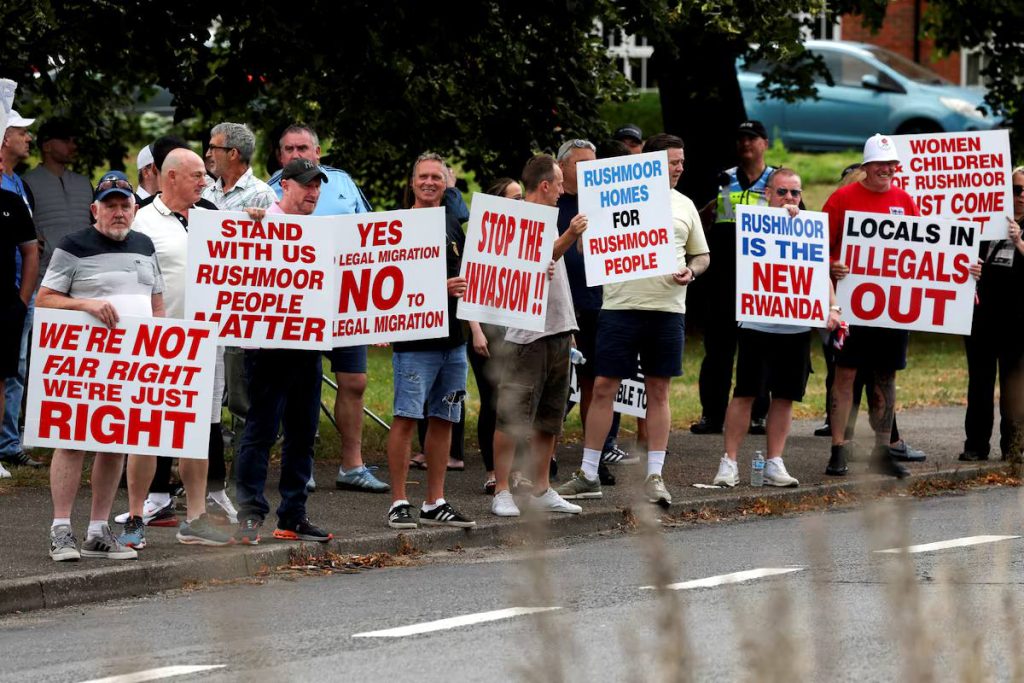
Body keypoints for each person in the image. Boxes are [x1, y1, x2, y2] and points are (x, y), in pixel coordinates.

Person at [557, 133, 709, 505]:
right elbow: (583, 249)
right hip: (620, 306)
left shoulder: (684, 204)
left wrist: (692, 270)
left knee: (658, 392)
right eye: (674, 161)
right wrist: (582, 231)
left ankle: (655, 475)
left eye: (682, 161)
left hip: (667, 310)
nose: (680, 168)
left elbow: (702, 255)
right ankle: (588, 473)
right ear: (654, 163)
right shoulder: (613, 196)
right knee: (604, 386)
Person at [36, 171, 156, 561]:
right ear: (95, 210)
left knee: (114, 445)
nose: (118, 212)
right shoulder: (73, 245)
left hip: (130, 365)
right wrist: (84, 305)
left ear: (134, 210)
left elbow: (156, 304)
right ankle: (60, 530)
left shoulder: (144, 245)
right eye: (110, 206)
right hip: (83, 366)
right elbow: (44, 299)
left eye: (125, 205)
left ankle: (97, 531)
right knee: (72, 441)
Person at [268, 124, 386, 494]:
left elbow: (373, 234)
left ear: (318, 152)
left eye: (303, 147)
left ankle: (352, 465)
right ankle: (302, 464)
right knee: (301, 383)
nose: (296, 154)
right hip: (298, 302)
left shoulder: (343, 183)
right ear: (279, 156)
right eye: (288, 149)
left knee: (355, 381)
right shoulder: (268, 189)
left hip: (345, 299)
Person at [125, 150, 234, 547]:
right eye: (196, 175)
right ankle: (136, 516)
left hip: (208, 341)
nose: (204, 182)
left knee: (200, 431)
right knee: (147, 432)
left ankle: (196, 518)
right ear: (170, 177)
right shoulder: (142, 219)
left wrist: (257, 228)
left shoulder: (210, 215)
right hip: (157, 343)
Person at [712, 168, 842, 487]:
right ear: (768, 193)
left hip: (795, 327)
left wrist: (833, 307)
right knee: (745, 393)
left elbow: (820, 270)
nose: (789, 198)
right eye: (782, 191)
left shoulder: (808, 228)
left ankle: (774, 462)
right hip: (757, 325)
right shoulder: (750, 222)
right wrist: (780, 220)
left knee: (785, 396)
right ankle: (728, 463)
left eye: (795, 193)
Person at [232, 159, 336, 544]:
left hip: (307, 345)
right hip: (267, 347)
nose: (313, 192)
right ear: (284, 186)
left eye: (317, 186)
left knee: (302, 432)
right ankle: (250, 515)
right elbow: (229, 245)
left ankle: (293, 515)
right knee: (260, 431)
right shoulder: (260, 219)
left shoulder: (319, 231)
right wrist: (250, 221)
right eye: (306, 185)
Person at [491, 154, 585, 517]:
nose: (563, 190)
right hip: (526, 336)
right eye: (560, 182)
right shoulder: (517, 220)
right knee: (512, 417)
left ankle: (542, 487)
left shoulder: (549, 219)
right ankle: (501, 489)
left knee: (550, 417)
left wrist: (569, 328)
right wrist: (569, 236)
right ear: (545, 184)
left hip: (559, 329)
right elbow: (537, 263)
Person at [386, 152, 474, 529]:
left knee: (444, 418)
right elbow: (387, 285)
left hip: (453, 342)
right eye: (422, 176)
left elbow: (474, 272)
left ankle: (435, 501)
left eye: (436, 177)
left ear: (446, 183)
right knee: (406, 418)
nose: (429, 182)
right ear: (412, 182)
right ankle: (399, 501)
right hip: (414, 342)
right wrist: (439, 288)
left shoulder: (454, 223)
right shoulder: (395, 225)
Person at [823, 133, 919, 478]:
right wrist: (831, 265)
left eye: (890, 164)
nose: (885, 169)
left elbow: (921, 255)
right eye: (878, 164)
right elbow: (817, 249)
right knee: (845, 375)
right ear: (865, 167)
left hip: (890, 308)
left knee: (885, 376)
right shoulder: (841, 199)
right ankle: (838, 449)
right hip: (850, 306)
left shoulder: (906, 202)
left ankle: (882, 450)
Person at [555, 138, 633, 478]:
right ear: (562, 167)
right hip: (558, 306)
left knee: (595, 385)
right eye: (581, 163)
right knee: (555, 386)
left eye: (593, 162)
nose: (590, 169)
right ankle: (548, 455)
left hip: (600, 304)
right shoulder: (551, 201)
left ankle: (592, 460)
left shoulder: (606, 200)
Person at [691, 120, 774, 436]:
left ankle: (758, 414)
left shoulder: (777, 180)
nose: (746, 144)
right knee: (718, 351)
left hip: (762, 280)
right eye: (741, 139)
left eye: (752, 138)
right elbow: (698, 221)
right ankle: (713, 414)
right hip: (724, 278)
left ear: (765, 143)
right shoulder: (722, 179)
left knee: (759, 350)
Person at [959, 167, 1024, 462]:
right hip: (981, 318)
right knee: (980, 384)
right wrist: (969, 267)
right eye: (1015, 189)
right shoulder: (985, 223)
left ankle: (1015, 447)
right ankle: (975, 445)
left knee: (1015, 387)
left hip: (1018, 322)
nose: (1021, 196)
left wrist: (1020, 242)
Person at [467, 177, 521, 494]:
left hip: (519, 329)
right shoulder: (481, 237)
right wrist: (475, 331)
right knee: (493, 401)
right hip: (487, 330)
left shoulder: (529, 237)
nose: (521, 204)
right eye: (514, 199)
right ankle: (491, 471)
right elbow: (470, 285)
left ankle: (512, 469)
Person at [0, 110, 41, 471]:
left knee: (15, 368)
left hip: (15, 294)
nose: (28, 138)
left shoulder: (19, 185)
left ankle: (8, 442)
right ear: (3, 138)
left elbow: (28, 244)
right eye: (21, 132)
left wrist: (23, 298)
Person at [24, 118, 93, 278]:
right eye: (65, 140)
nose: (73, 146)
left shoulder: (83, 182)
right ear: (46, 146)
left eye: (74, 141)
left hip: (86, 275)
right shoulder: (27, 183)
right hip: (44, 277)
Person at [201, 122, 276, 211]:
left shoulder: (262, 195)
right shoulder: (207, 193)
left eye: (212, 147)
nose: (207, 154)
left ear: (233, 153)